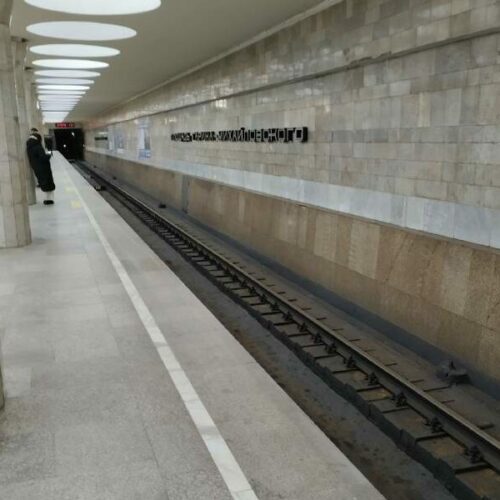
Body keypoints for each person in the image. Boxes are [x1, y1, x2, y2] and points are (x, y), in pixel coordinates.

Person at [26, 132, 56, 205]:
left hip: (36, 168)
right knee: (48, 183)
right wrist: (48, 155)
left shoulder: (29, 147)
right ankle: (49, 200)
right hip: (43, 167)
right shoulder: (38, 147)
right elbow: (43, 158)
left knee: (42, 182)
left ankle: (47, 199)